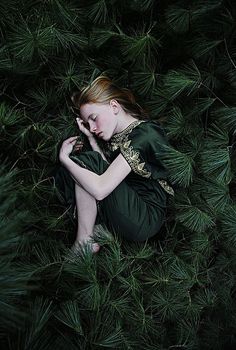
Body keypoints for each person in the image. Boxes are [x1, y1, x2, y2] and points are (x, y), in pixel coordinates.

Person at [55, 75, 175, 254]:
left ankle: (84, 240)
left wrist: (64, 159)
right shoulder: (123, 136)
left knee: (82, 163)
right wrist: (90, 140)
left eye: (94, 118)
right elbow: (108, 174)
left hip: (145, 216)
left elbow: (101, 188)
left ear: (114, 106)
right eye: (89, 124)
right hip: (131, 207)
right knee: (75, 168)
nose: (93, 128)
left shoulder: (145, 135)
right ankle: (97, 231)